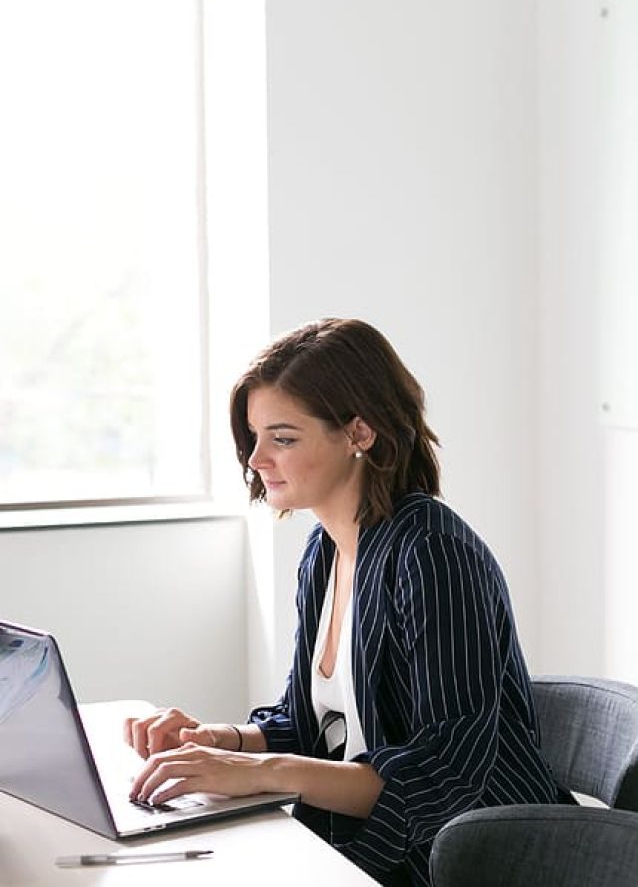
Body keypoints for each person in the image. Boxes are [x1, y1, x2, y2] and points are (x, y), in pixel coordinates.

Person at [126, 318, 562, 886]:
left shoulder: (431, 554)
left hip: (478, 858)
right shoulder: (325, 550)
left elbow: (442, 775)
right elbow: (317, 728)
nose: (257, 459)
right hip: (382, 846)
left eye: (282, 438)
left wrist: (257, 771)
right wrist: (217, 742)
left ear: (360, 433)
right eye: (254, 437)